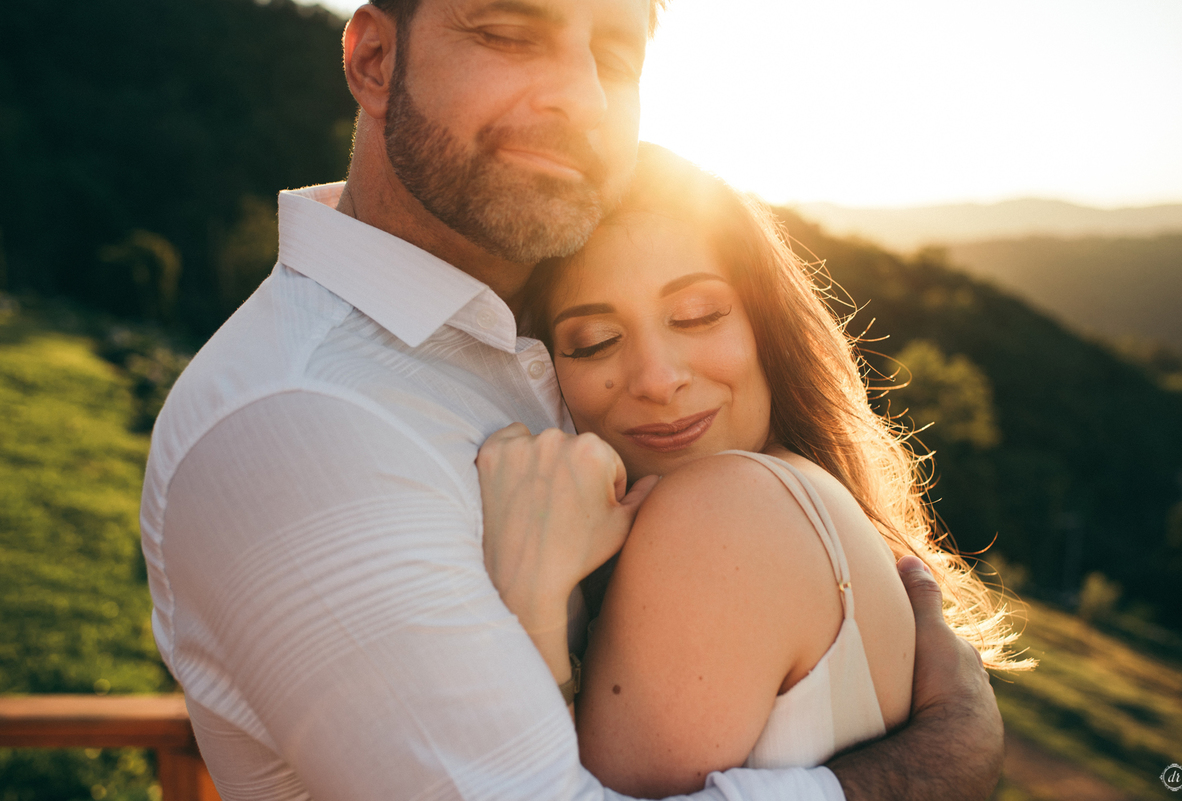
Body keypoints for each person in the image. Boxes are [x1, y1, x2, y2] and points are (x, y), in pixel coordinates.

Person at [139, 0, 1004, 797]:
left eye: (616, 57)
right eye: (510, 33)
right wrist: (942, 759)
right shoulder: (303, 421)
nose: (583, 99)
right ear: (372, 59)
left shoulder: (516, 341)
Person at [479, 145, 1030, 797]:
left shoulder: (722, 508)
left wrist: (534, 600)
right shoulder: (799, 490)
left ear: (764, 325)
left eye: (697, 315)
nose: (658, 377)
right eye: (595, 340)